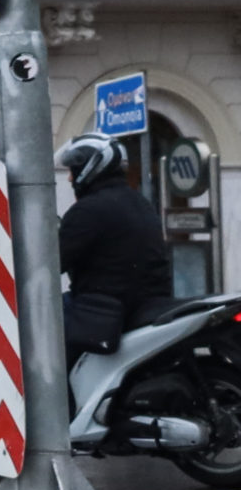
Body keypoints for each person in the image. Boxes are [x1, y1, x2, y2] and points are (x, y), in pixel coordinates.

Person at [56, 132, 174, 350]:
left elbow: (51, 264)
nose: (70, 178)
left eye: (73, 170)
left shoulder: (87, 211)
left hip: (108, 309)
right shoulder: (140, 202)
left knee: (43, 316)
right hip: (149, 304)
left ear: (91, 167)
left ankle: (49, 384)